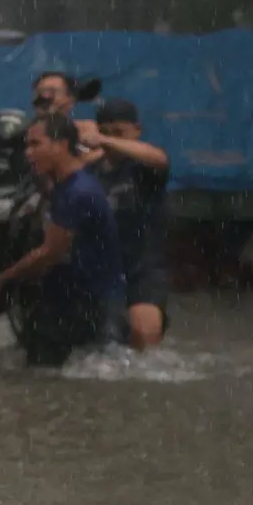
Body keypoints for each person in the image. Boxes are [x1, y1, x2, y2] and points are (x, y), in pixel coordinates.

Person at [0, 114, 127, 367]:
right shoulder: (66, 184)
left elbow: (49, 252)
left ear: (60, 145)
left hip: (89, 304)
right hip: (71, 298)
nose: (28, 153)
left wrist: (0, 280)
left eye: (35, 144)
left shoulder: (77, 193)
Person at [80, 99, 172, 349]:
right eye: (105, 132)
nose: (112, 139)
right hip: (98, 269)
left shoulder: (143, 168)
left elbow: (160, 159)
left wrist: (104, 141)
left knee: (143, 334)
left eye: (119, 132)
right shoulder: (90, 170)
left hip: (141, 270)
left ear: (137, 130)